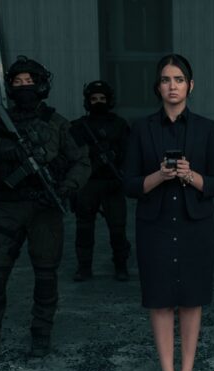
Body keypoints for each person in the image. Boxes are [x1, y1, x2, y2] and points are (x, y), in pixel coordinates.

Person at [0, 55, 91, 363]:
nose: (24, 87)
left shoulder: (58, 123)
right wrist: (1, 150)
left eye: (29, 82)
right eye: (18, 82)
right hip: (6, 207)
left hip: (44, 209)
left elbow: (83, 161)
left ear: (42, 86)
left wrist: (66, 187)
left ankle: (41, 335)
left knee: (45, 277)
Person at [123, 54, 214, 371]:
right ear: (158, 87)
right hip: (155, 227)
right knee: (161, 302)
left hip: (196, 227)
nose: (172, 86)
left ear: (190, 86)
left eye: (179, 79)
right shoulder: (141, 128)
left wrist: (189, 175)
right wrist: (159, 176)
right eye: (166, 80)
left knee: (192, 302)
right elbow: (129, 183)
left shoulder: (206, 128)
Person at [70, 80, 131, 282]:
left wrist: (118, 164)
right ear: (87, 101)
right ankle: (84, 268)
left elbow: (129, 153)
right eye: (94, 98)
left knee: (118, 228)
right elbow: (71, 155)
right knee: (84, 228)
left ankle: (121, 266)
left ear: (109, 100)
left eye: (102, 98)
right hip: (88, 183)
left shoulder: (119, 124)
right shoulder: (79, 126)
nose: (98, 102)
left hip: (112, 182)